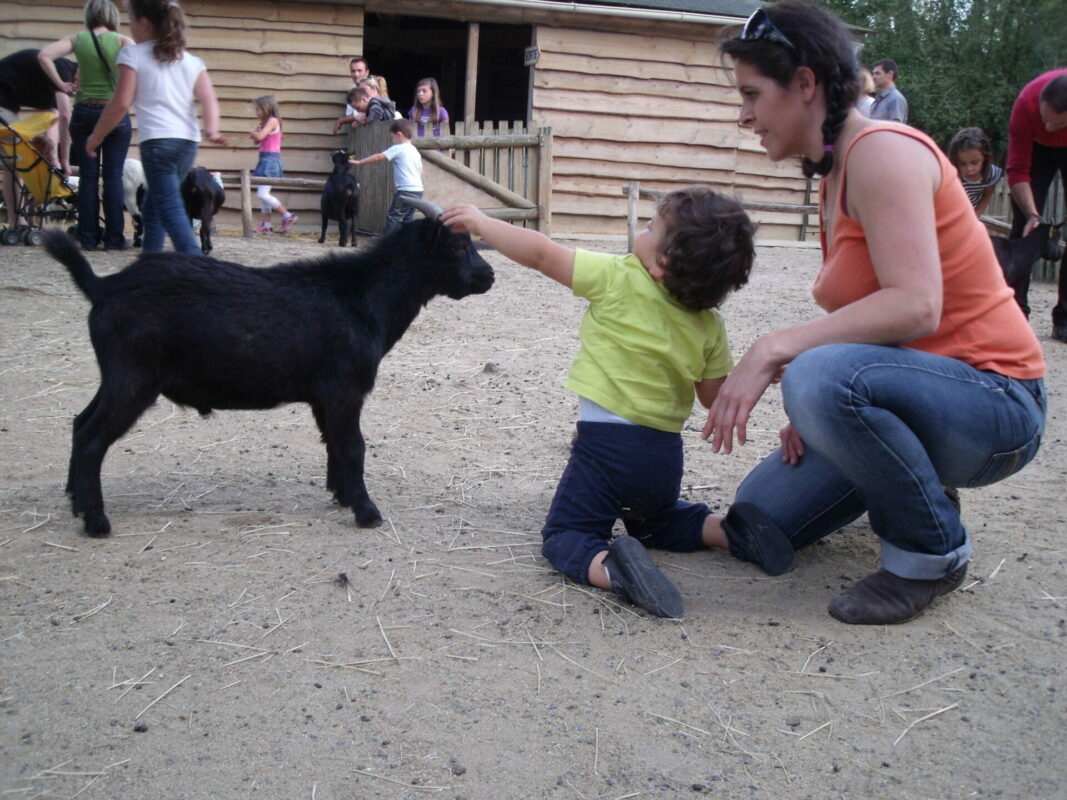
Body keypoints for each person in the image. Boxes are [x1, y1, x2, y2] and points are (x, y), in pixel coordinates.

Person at [704, 2, 1045, 626]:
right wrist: (828, 417)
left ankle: (929, 555)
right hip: (928, 394)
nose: (744, 114)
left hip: (997, 405)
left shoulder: (882, 152)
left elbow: (917, 306)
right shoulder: (834, 168)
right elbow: (873, 319)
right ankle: (915, 482)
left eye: (753, 93)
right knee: (761, 515)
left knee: (816, 374)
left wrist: (783, 352)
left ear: (805, 83)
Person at [440, 187, 754, 618]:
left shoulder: (620, 276)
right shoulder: (710, 325)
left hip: (605, 453)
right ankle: (726, 531)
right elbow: (711, 397)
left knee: (566, 535)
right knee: (657, 522)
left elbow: (541, 255)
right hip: (663, 457)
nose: (642, 230)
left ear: (662, 263)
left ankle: (615, 570)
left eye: (650, 227)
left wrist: (482, 223)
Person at [84, 0, 225, 254]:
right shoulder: (191, 60)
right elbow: (208, 99)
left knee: (170, 206)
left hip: (158, 144)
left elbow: (120, 104)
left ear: (145, 23)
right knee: (153, 202)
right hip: (187, 144)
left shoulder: (133, 54)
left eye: (131, 21)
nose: (130, 28)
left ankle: (198, 267)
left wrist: (96, 136)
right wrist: (212, 129)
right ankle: (151, 262)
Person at [39, 0, 135, 251]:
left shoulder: (77, 39)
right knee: (113, 177)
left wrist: (63, 85)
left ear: (90, 15)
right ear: (112, 16)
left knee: (89, 178)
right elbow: (139, 69)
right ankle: (115, 239)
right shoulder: (123, 41)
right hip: (113, 112)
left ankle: (88, 238)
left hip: (83, 112)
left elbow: (44, 55)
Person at [1005, 70, 1067, 340]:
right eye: (1045, 119)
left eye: (1056, 124)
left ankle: (1064, 319)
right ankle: (1014, 313)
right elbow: (1017, 170)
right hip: (1035, 150)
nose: (1048, 128)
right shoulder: (1026, 105)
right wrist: (1032, 213)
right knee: (1024, 228)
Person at [0, 49, 76, 231]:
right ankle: (17, 222)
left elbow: (53, 119)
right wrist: (62, 160)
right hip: (2, 100)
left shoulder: (58, 86)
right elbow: (66, 115)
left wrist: (53, 156)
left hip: (8, 101)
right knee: (15, 160)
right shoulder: (61, 68)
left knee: (34, 158)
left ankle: (33, 220)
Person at [348, 119, 422, 233]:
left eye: (393, 137)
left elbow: (379, 157)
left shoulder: (399, 148)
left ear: (399, 134)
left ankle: (386, 244)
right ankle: (408, 244)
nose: (392, 141)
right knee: (408, 219)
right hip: (418, 190)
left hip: (405, 191)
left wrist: (360, 162)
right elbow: (420, 171)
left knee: (394, 217)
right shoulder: (415, 151)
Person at [249, 94, 297, 234]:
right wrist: (257, 132)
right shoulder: (266, 123)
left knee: (262, 194)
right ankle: (267, 225)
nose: (256, 113)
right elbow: (258, 141)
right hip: (264, 160)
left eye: (258, 109)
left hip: (270, 161)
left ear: (266, 108)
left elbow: (257, 137)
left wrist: (253, 133)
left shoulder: (273, 121)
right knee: (263, 193)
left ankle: (288, 216)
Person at [947, 127, 1003, 218]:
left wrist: (975, 218)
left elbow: (986, 196)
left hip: (971, 213)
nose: (969, 169)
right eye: (962, 163)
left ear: (985, 157)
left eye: (974, 163)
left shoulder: (991, 174)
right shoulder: (952, 174)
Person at [333, 56, 370, 134]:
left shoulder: (373, 88)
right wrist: (352, 120)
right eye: (353, 71)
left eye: (359, 71)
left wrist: (341, 121)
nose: (356, 74)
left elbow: (364, 113)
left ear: (367, 72)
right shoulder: (353, 92)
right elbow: (350, 115)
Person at [868, 58, 908, 123]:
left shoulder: (896, 99)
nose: (873, 77)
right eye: (873, 74)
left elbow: (895, 129)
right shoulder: (879, 99)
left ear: (890, 74)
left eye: (877, 73)